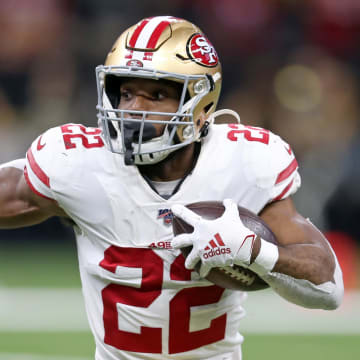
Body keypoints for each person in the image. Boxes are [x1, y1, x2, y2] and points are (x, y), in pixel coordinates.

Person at [0, 16, 344, 360]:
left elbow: (328, 289)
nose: (134, 109)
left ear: (201, 105)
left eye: (157, 94)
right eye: (126, 92)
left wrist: (254, 251)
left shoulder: (243, 164)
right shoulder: (80, 165)